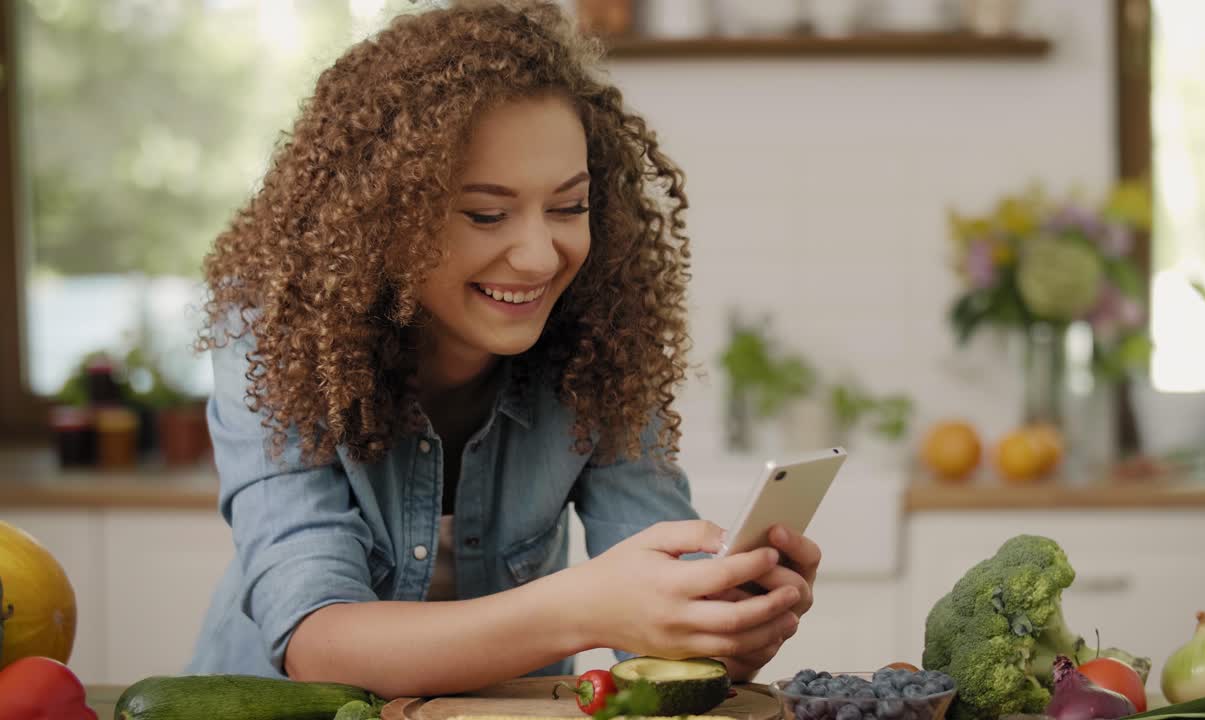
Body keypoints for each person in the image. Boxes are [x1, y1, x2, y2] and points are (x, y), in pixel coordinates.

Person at [187, 0, 823, 700]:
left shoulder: (600, 338)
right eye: (487, 214)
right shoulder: (278, 328)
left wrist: (726, 622)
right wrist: (582, 606)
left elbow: (651, 624)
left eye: (568, 207)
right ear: (381, 220)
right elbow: (318, 643)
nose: (538, 254)